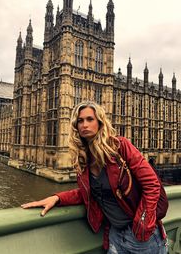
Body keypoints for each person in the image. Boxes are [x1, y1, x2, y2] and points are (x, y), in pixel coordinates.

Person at [21, 101, 168, 254]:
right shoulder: (83, 157)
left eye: (90, 119)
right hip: (114, 236)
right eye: (80, 121)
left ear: (100, 122)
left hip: (143, 240)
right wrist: (57, 198)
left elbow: (152, 184)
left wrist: (142, 224)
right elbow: (90, 191)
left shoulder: (119, 146)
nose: (84, 125)